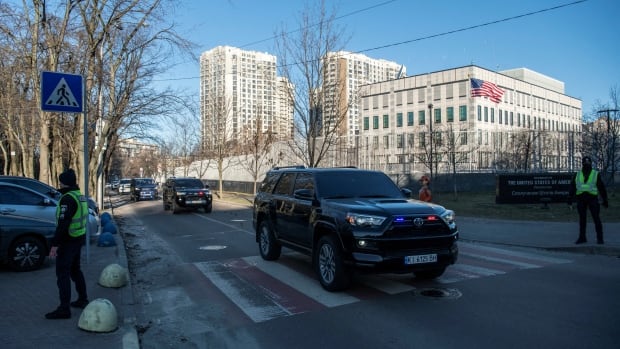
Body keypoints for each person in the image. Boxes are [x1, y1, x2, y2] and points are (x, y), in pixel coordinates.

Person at [45, 168, 90, 319]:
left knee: (63, 274)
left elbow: (63, 224)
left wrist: (54, 244)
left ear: (64, 183)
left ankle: (64, 309)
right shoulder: (80, 196)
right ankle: (83, 299)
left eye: (60, 182)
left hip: (68, 241)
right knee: (75, 270)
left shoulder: (67, 199)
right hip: (78, 238)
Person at [568, 156, 609, 245]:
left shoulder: (595, 173)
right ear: (582, 164)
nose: (586, 164)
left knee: (596, 218)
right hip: (581, 199)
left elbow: (601, 187)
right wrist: (570, 200)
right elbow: (572, 188)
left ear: (590, 163)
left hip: (592, 199)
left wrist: (605, 199)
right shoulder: (577, 174)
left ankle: (600, 238)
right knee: (582, 219)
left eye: (588, 162)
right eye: (585, 162)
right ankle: (582, 237)